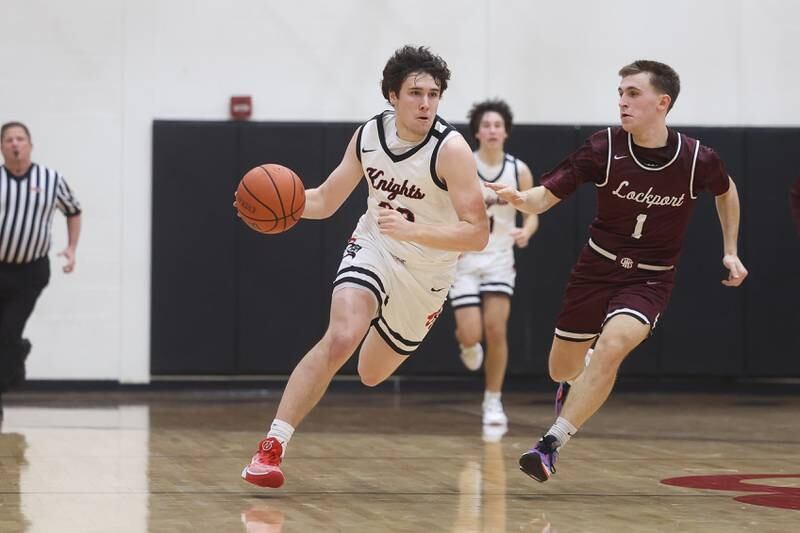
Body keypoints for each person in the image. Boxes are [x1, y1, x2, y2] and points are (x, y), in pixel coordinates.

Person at [236, 45, 489, 488]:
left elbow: (477, 234)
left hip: (427, 274)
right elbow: (325, 200)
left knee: (371, 374)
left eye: (434, 94)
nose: (426, 103)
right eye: (416, 93)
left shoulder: (451, 151)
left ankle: (385, 319)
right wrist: (281, 208)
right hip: (374, 246)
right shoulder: (368, 135)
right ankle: (271, 448)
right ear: (393, 95)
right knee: (341, 336)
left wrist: (415, 233)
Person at [488, 60, 748, 482]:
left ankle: (550, 445)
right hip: (596, 268)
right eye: (620, 93)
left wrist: (731, 250)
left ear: (662, 103)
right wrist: (518, 198)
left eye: (632, 93)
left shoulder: (697, 158)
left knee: (612, 347)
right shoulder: (603, 147)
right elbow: (545, 196)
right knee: (561, 368)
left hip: (649, 277)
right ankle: (575, 382)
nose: (622, 101)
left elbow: (727, 190)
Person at [448, 99, 538, 426]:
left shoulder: (519, 170)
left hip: (500, 258)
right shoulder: (462, 165)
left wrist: (526, 231)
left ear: (506, 132)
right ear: (476, 131)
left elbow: (532, 213)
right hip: (464, 258)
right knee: (471, 333)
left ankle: (493, 400)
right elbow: (447, 208)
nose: (492, 130)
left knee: (496, 330)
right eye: (486, 125)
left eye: (497, 125)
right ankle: (467, 345)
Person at [0, 122, 82, 417]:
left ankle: (18, 350)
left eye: (20, 138)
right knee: (3, 337)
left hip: (29, 273)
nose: (15, 144)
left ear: (30, 145)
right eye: (9, 139)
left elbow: (73, 210)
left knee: (8, 332)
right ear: (2, 147)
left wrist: (71, 248)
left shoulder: (50, 179)